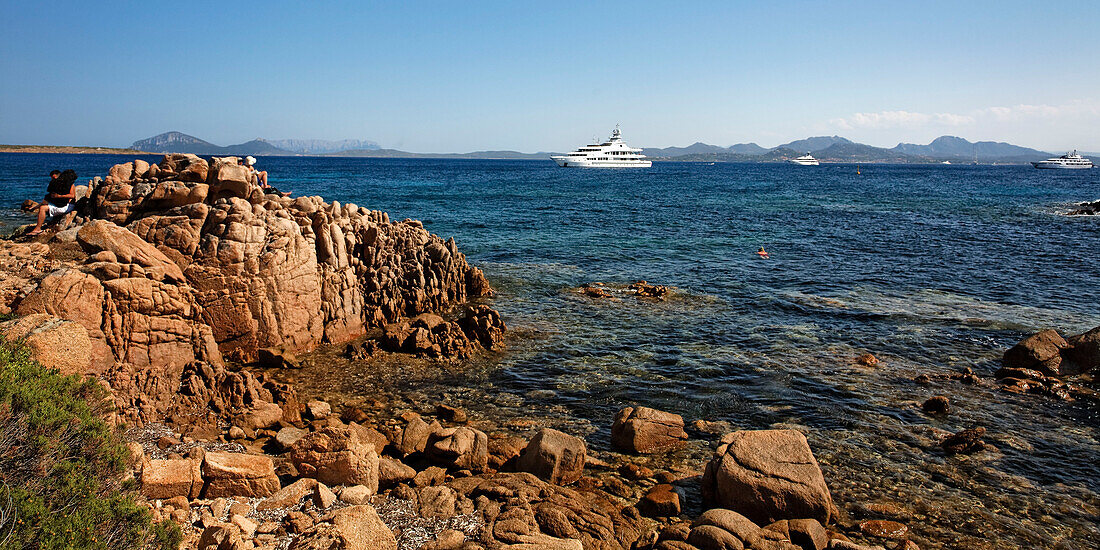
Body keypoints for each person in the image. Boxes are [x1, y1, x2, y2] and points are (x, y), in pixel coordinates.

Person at [27, 169, 77, 236]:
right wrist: (34, 208)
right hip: (61, 205)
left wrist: (59, 196)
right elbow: (45, 201)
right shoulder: (56, 187)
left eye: (54, 178)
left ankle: (38, 229)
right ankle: (40, 227)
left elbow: (72, 196)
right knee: (44, 205)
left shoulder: (70, 185)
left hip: (67, 206)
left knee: (43, 208)